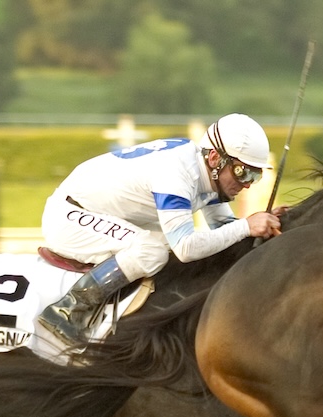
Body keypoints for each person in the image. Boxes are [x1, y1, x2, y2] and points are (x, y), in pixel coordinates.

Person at [36, 113, 282, 346]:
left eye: (255, 176)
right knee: (152, 251)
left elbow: (224, 229)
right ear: (215, 159)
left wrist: (263, 224)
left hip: (98, 212)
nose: (247, 184)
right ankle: (68, 310)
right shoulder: (176, 174)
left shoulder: (205, 171)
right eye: (242, 172)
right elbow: (186, 248)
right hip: (69, 216)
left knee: (167, 246)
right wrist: (246, 225)